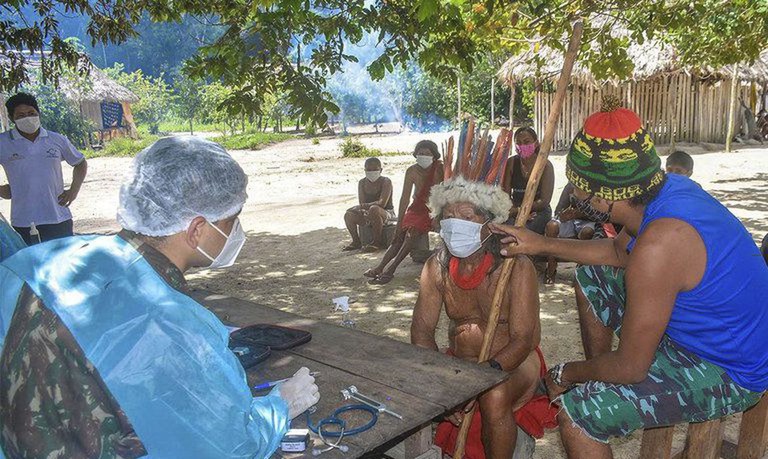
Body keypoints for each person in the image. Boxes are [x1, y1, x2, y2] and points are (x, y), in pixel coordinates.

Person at [0, 136, 320, 459]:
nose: (236, 231)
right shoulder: (174, 325)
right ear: (196, 230)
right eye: (231, 220)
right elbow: (231, 446)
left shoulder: (33, 263)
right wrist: (282, 403)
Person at [492, 98, 768, 458]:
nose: (575, 194)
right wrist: (540, 243)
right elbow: (618, 253)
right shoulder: (667, 190)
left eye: (579, 186)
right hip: (708, 331)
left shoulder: (659, 245)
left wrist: (565, 374)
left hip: (730, 368)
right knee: (591, 277)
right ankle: (602, 376)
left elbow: (632, 367)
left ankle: (598, 384)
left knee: (579, 416)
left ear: (604, 196)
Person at [412, 176, 557, 458]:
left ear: (490, 224)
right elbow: (422, 332)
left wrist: (482, 378)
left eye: (467, 217)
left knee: (494, 393)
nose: (456, 225)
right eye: (448, 217)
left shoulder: (515, 266)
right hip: (461, 363)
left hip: (513, 364)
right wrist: (442, 381)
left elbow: (524, 339)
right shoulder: (436, 267)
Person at [0, 92, 88, 245]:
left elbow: (80, 163)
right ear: (12, 118)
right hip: (24, 220)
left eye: (31, 113)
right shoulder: (3, 143)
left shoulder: (56, 139)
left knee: (63, 258)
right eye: (21, 115)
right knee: (31, 260)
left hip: (58, 217)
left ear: (38, 113)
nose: (27, 118)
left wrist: (73, 191)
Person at [365, 140, 443, 284]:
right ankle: (380, 267)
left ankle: (391, 269)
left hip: (435, 209)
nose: (423, 156)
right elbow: (404, 199)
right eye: (420, 153)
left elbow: (446, 194)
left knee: (412, 233)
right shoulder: (411, 171)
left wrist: (438, 215)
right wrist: (400, 223)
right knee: (398, 236)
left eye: (427, 154)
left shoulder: (440, 168)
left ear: (434, 156)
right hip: (417, 207)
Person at [543, 183, 608, 284]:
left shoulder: (597, 188)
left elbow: (601, 216)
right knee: (552, 226)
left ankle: (580, 270)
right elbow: (559, 210)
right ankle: (551, 265)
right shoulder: (571, 186)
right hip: (571, 221)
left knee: (587, 232)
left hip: (588, 222)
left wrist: (580, 214)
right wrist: (564, 215)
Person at [501, 127, 554, 234]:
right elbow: (505, 195)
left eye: (526, 142)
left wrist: (524, 211)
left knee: (523, 230)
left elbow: (544, 201)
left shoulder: (546, 166)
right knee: (504, 228)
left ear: (536, 143)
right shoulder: (511, 163)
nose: (522, 145)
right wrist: (516, 211)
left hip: (538, 211)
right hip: (515, 210)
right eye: (518, 143)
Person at [343, 157, 395, 252]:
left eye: (375, 169)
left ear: (381, 170)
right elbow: (362, 202)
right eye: (369, 170)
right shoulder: (362, 182)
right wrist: (362, 210)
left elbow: (382, 203)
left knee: (374, 209)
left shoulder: (386, 181)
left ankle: (376, 242)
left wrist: (362, 207)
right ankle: (356, 241)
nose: (372, 172)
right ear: (365, 170)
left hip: (386, 214)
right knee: (348, 215)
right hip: (368, 212)